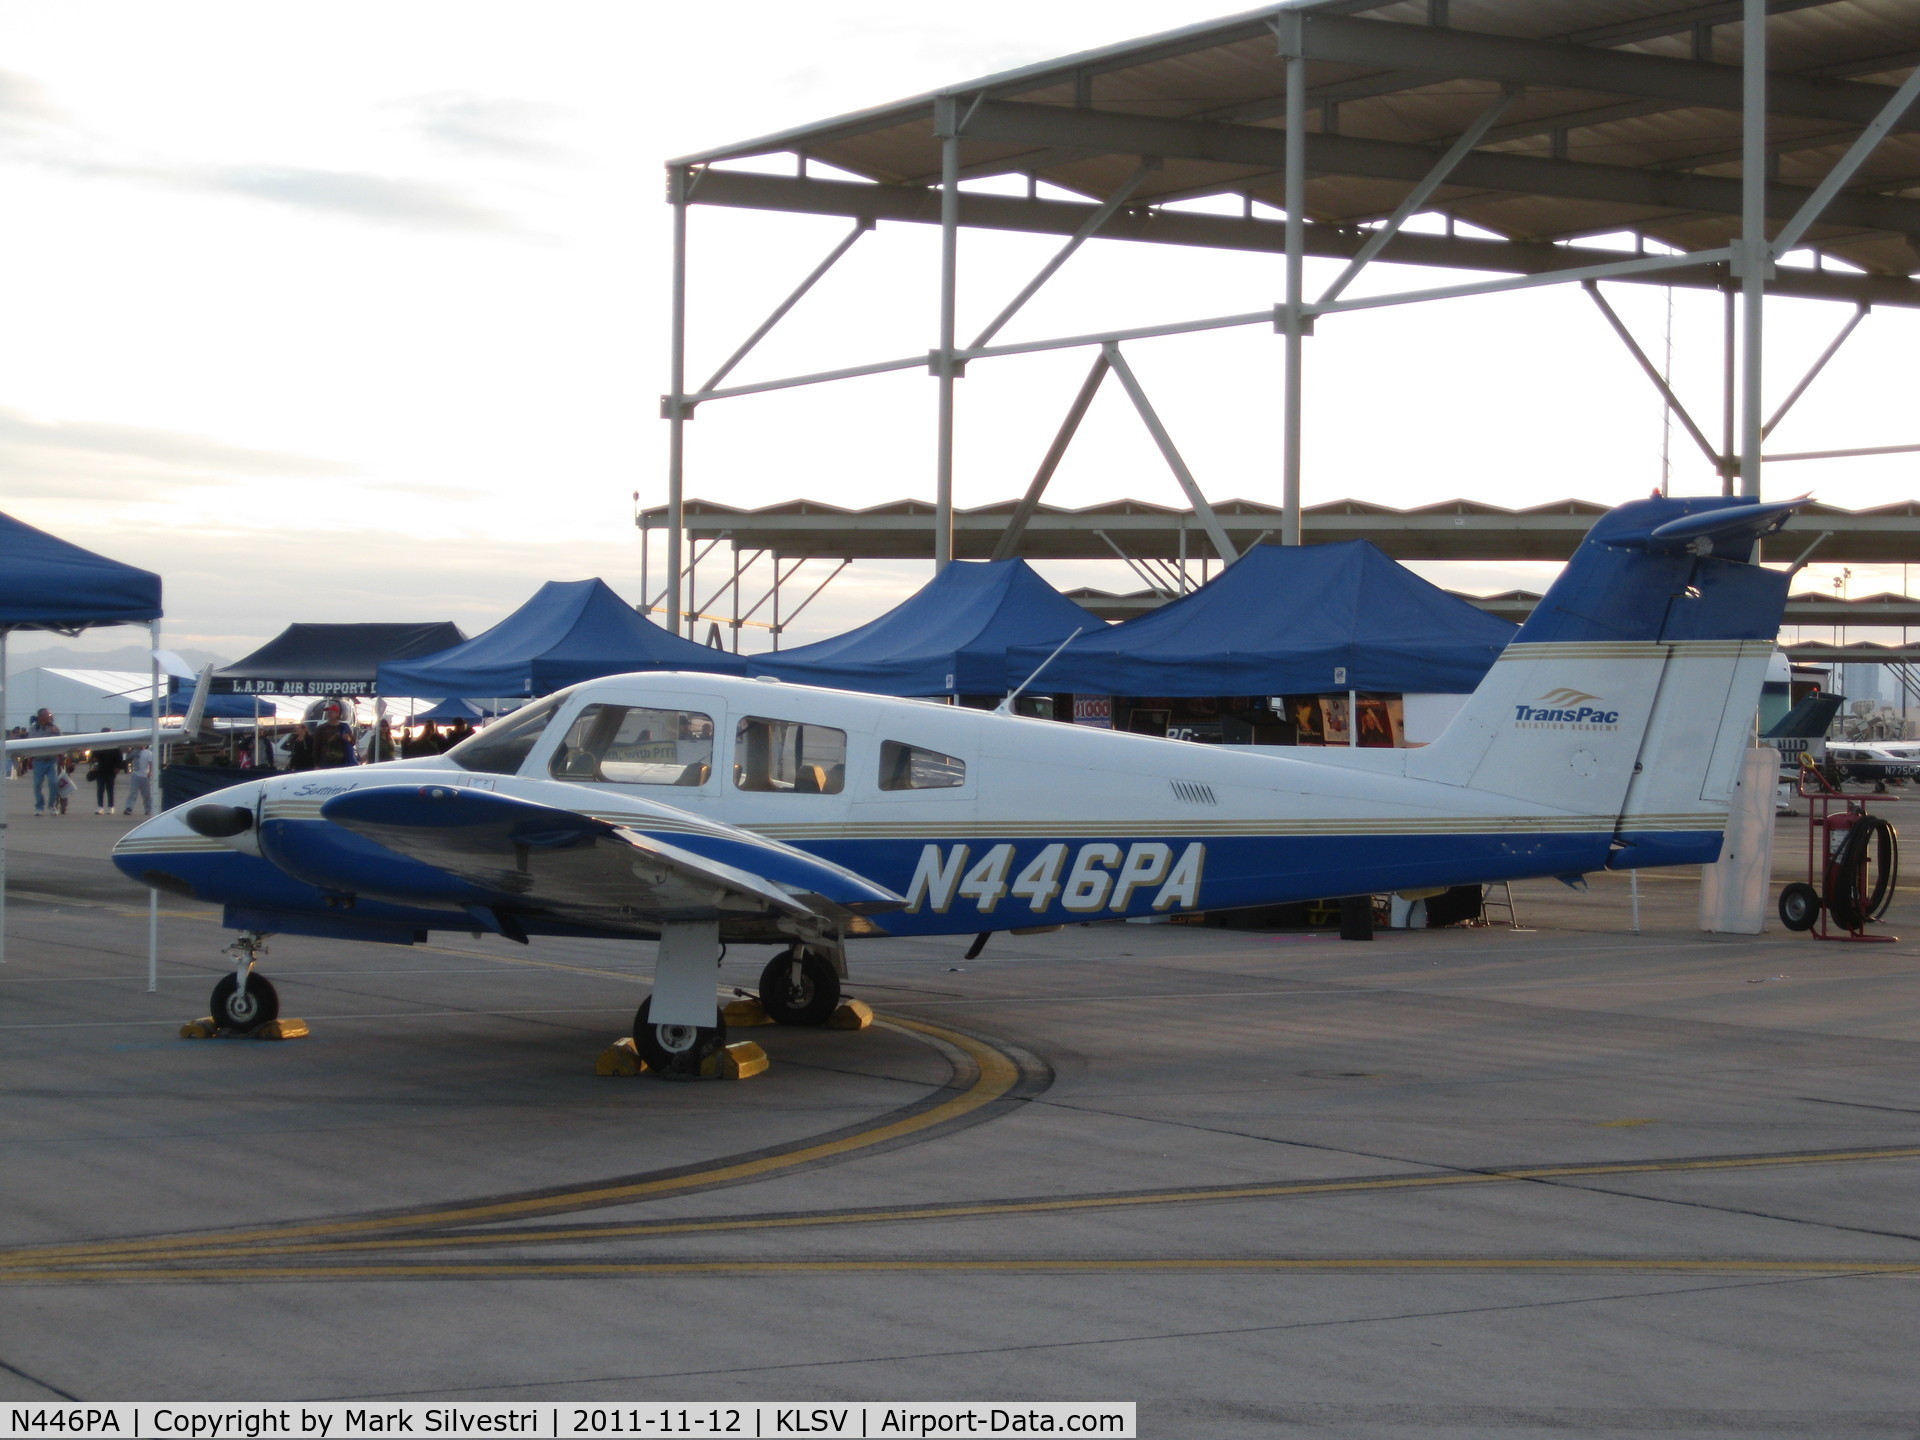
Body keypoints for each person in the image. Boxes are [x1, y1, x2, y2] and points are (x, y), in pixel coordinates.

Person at [27, 708, 60, 816]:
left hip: (51, 760)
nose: (50, 717)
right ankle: (39, 806)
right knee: (37, 784)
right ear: (41, 716)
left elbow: (62, 742)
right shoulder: (33, 729)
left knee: (53, 783)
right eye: (47, 715)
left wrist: (55, 733)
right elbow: (31, 742)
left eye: (50, 715)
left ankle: (52, 805)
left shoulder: (55, 728)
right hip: (39, 761)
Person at [90, 746, 125, 813]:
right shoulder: (98, 747)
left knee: (110, 789)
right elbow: (94, 757)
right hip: (100, 771)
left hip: (111, 771)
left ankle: (111, 807)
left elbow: (119, 758)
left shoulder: (115, 748)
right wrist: (94, 766)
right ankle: (100, 807)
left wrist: (118, 767)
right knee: (100, 789)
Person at [124, 745, 155, 816]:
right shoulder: (135, 752)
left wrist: (150, 772)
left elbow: (151, 763)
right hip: (136, 774)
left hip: (145, 776)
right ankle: (129, 808)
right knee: (133, 793)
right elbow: (128, 759)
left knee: (147, 794)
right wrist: (129, 752)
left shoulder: (148, 753)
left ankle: (148, 809)